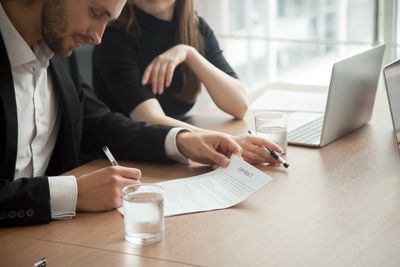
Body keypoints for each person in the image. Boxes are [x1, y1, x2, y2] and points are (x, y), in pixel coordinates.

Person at [0, 0, 281, 227]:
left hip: (50, 236)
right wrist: (72, 193)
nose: (97, 38)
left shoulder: (57, 52)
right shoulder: (73, 39)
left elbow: (98, 122)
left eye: (106, 21)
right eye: (95, 12)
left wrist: (181, 140)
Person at [92, 0, 281, 164]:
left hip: (173, 154)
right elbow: (150, 119)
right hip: (125, 158)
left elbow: (239, 105)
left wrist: (189, 54)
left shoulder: (195, 27)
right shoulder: (114, 36)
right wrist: (225, 141)